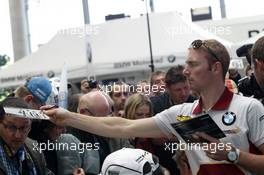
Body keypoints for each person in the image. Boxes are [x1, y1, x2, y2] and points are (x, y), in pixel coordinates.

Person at [42, 39, 264, 175]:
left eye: (193, 64)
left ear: (216, 68)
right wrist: (67, 117)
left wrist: (232, 155)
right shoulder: (182, 114)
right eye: (186, 64)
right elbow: (123, 127)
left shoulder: (249, 109)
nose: (185, 71)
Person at [0, 97, 53, 175]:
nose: (18, 135)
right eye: (11, 127)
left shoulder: (34, 148)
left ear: (30, 126)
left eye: (23, 128)